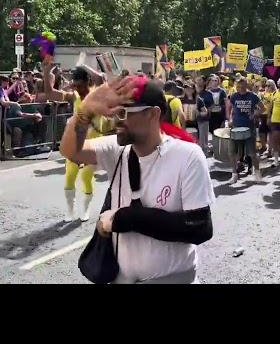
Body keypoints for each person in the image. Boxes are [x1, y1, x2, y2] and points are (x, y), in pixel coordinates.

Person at [59, 76, 215, 284]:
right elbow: (71, 151)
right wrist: (84, 111)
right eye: (114, 112)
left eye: (123, 113)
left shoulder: (187, 155)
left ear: (152, 114)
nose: (116, 121)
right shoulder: (116, 150)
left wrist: (125, 219)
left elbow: (199, 228)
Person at [43, 61, 112, 222]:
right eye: (74, 85)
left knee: (86, 177)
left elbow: (101, 78)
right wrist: (46, 73)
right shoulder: (73, 97)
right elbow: (50, 93)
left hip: (94, 145)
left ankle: (85, 210)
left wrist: (82, 65)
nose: (76, 88)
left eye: (78, 84)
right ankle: (70, 210)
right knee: (69, 177)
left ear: (87, 82)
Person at [226, 78, 265, 184]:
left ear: (246, 85)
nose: (241, 88)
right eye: (239, 86)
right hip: (235, 127)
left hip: (249, 128)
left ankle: (257, 173)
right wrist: (229, 119)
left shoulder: (253, 96)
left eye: (243, 86)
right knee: (232, 152)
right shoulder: (234, 96)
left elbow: (263, 108)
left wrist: (255, 114)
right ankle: (234, 174)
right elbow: (229, 107)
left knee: (252, 153)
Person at [258, 79, 276, 157]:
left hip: (271, 115)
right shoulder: (262, 94)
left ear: (273, 86)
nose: (267, 87)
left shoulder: (274, 94)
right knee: (261, 131)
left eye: (269, 85)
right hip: (262, 115)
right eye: (266, 85)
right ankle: (263, 146)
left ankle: (270, 149)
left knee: (270, 133)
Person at [194, 76, 211, 155]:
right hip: (193, 120)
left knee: (203, 138)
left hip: (203, 119)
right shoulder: (194, 93)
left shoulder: (208, 94)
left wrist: (204, 114)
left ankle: (204, 152)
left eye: (201, 80)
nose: (199, 81)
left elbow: (210, 108)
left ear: (204, 82)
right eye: (198, 80)